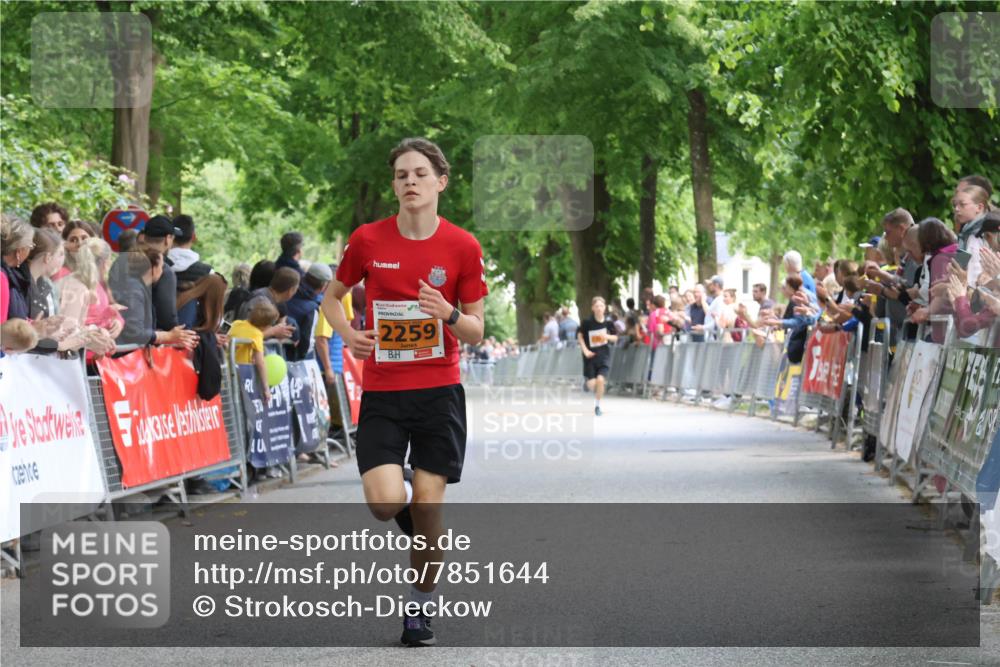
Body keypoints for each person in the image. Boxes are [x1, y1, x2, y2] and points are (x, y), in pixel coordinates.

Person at [319, 137, 487, 648]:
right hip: (385, 392)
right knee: (385, 502)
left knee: (430, 512)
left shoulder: (463, 246)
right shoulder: (368, 240)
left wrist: (450, 315)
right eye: (400, 175)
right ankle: (410, 487)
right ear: (393, 185)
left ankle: (418, 606)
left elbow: (477, 328)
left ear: (441, 182)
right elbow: (332, 299)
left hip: (439, 391)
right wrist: (350, 336)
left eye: (419, 173)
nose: (409, 181)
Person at [231, 299, 280, 405]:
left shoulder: (237, 323)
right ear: (266, 326)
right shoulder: (257, 334)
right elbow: (260, 362)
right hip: (240, 375)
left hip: (228, 369)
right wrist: (266, 388)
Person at [577, 296, 618, 416]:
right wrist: (585, 350)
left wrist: (607, 337)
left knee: (600, 380)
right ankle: (587, 383)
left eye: (601, 306)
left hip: (603, 356)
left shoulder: (608, 323)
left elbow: (615, 337)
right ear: (592, 308)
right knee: (592, 384)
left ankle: (597, 405)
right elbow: (580, 336)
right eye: (597, 306)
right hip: (590, 357)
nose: (599, 308)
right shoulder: (587, 322)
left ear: (605, 308)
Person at [286, 262, 332, 361]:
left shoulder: (288, 291)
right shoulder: (312, 308)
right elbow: (307, 342)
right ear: (323, 286)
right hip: (294, 359)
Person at [237, 267, 299, 340]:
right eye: (296, 289)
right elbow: (246, 336)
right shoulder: (261, 302)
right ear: (291, 290)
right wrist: (273, 331)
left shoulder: (266, 298)